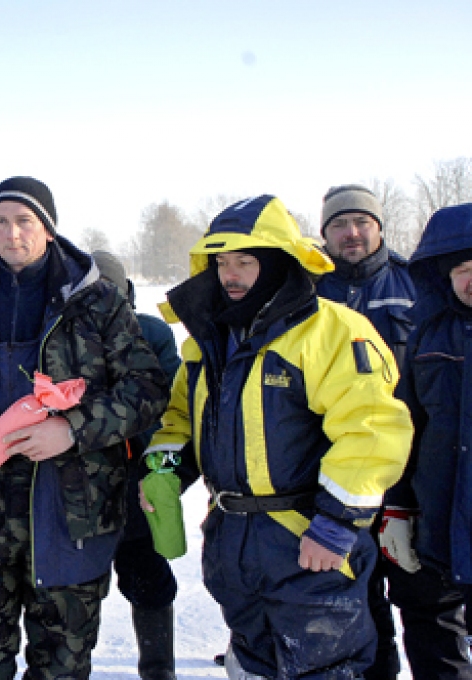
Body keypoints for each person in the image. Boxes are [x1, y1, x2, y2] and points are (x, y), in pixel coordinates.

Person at [0, 176, 169, 679]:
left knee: (60, 670)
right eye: (0, 221)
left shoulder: (96, 301)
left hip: (71, 515)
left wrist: (72, 430)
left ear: (48, 228)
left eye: (24, 221)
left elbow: (147, 390)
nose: (11, 233)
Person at [144, 195, 412, 679]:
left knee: (328, 668)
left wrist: (335, 524)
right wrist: (165, 471)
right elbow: (181, 417)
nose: (230, 275)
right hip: (232, 541)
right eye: (222, 263)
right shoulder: (209, 339)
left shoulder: (332, 331)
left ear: (277, 262)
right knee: (252, 664)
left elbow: (371, 429)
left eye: (245, 262)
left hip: (308, 540)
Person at [316, 184, 418, 680]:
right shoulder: (308, 288)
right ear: (325, 234)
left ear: (379, 228)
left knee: (422, 599)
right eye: (338, 224)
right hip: (334, 473)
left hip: (409, 474)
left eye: (361, 222)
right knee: (354, 596)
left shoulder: (415, 284)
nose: (351, 233)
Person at [382, 202, 472, 679]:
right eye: (461, 269)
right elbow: (406, 427)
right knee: (432, 633)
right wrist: (397, 506)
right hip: (435, 523)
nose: (471, 280)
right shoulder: (426, 336)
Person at [93, 250, 181, 680]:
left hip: (137, 479)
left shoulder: (150, 332)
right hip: (79, 482)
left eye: (106, 289)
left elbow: (172, 403)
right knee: (74, 587)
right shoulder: (60, 336)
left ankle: (158, 669)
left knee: (147, 576)